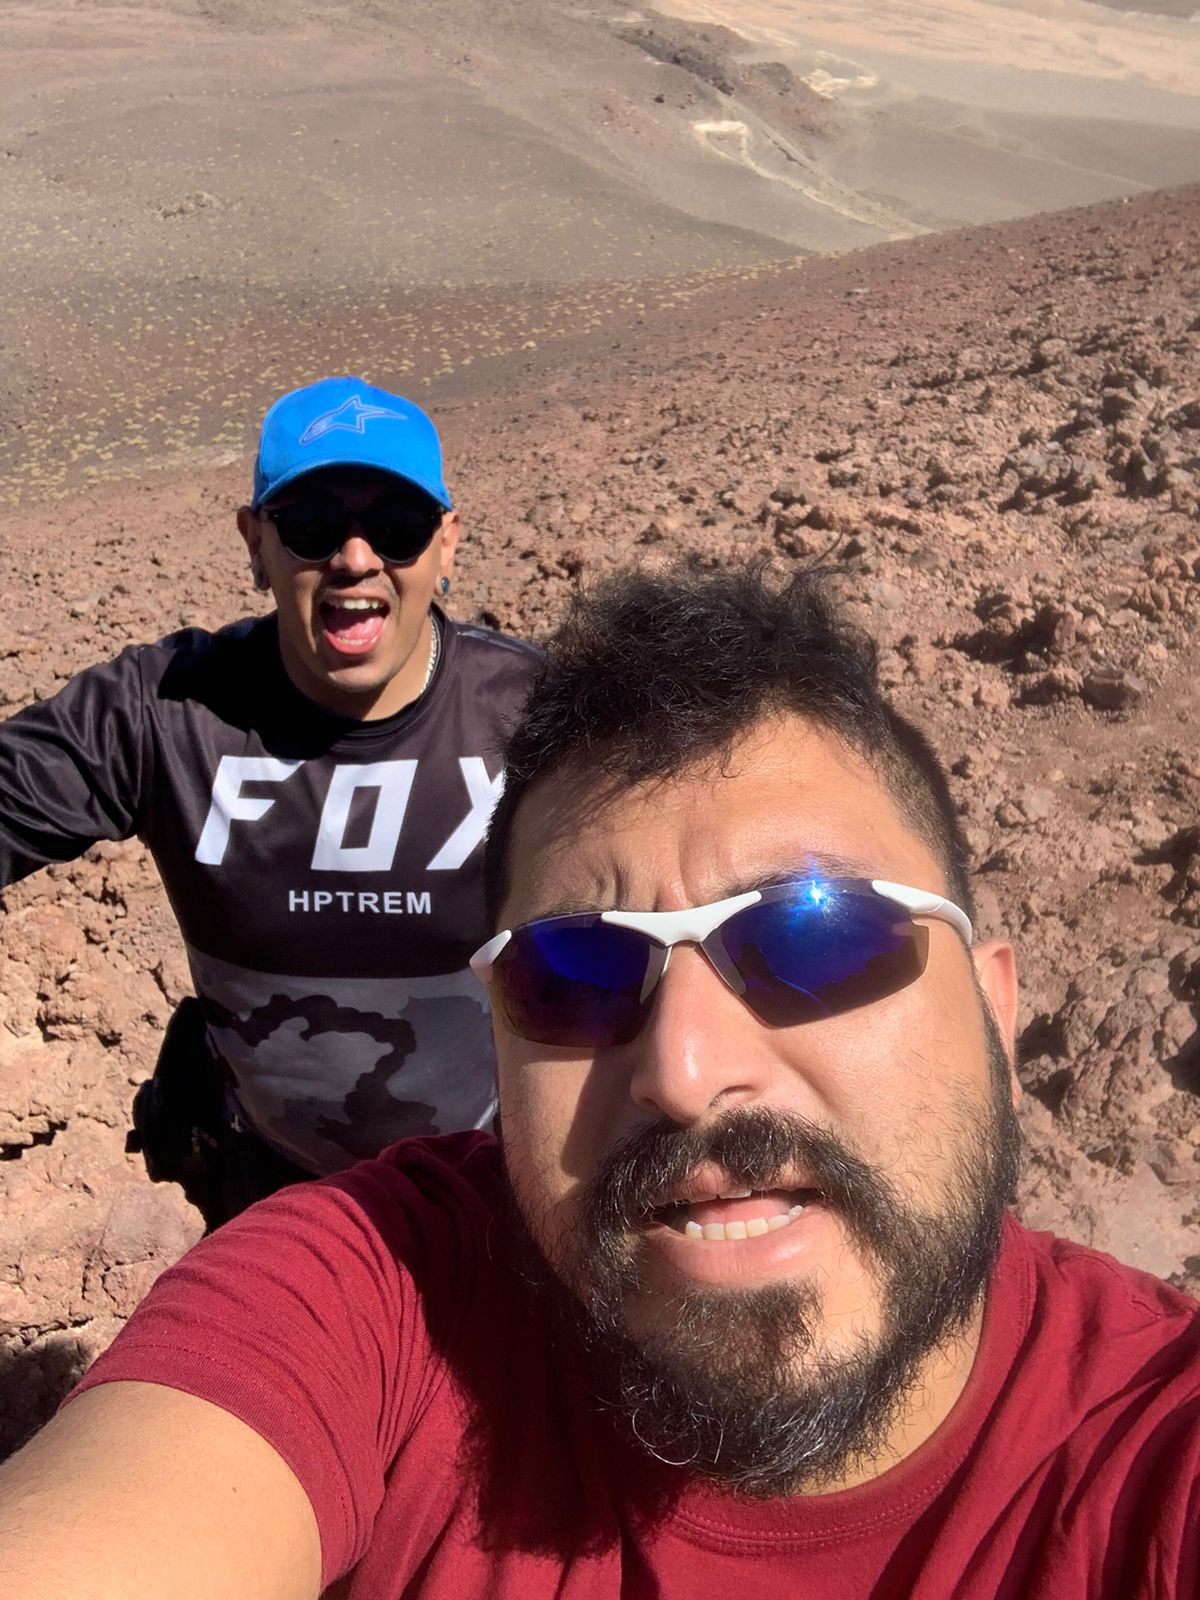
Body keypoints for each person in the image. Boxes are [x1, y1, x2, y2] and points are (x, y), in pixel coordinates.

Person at [0, 564, 1196, 1599]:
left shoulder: (1149, 1445)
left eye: (814, 935)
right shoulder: (380, 1300)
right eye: (574, 973)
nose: (684, 1071)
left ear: (993, 1007)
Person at [0, 375, 540, 1226]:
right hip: (268, 1188)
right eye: (311, 526)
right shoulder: (168, 715)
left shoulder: (539, 721)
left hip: (487, 1189)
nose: (355, 559)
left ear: (446, 546)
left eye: (397, 528)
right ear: (255, 544)